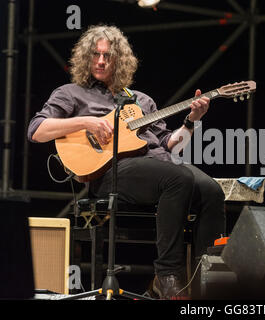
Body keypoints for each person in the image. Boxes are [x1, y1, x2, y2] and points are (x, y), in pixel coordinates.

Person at [27, 25, 226, 299]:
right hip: (112, 172)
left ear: (120, 60)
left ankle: (208, 278)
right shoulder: (71, 93)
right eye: (95, 55)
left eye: (107, 56)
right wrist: (87, 121)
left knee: (213, 191)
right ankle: (167, 275)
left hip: (159, 167)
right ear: (86, 58)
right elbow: (36, 130)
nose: (100, 61)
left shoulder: (141, 100)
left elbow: (170, 144)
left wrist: (191, 122)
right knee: (178, 178)